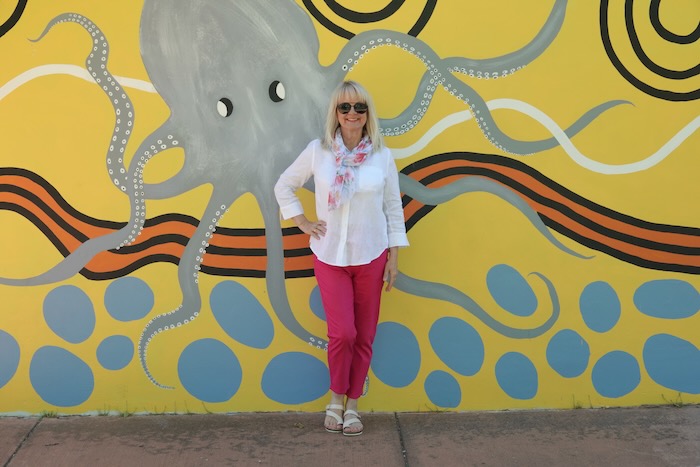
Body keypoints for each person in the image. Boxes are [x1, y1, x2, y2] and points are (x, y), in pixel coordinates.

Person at [274, 80, 409, 436]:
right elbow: (283, 185)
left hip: (371, 254)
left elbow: (392, 206)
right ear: (335, 113)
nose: (352, 114)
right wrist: (302, 221)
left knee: (364, 335)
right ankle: (335, 397)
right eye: (344, 107)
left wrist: (393, 256)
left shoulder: (382, 156)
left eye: (359, 107)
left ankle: (353, 405)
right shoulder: (319, 152)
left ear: (368, 114)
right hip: (330, 256)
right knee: (343, 334)